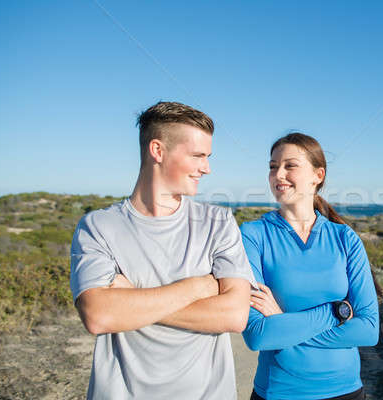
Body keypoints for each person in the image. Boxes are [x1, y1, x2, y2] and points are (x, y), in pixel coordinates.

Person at [70, 101, 256, 400]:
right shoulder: (98, 226)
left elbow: (235, 315)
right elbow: (98, 316)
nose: (206, 168)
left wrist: (131, 303)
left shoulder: (218, 222)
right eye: (197, 155)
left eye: (207, 157)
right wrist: (198, 286)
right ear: (158, 150)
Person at [241, 133, 380, 400]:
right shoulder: (253, 235)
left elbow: (368, 329)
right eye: (272, 166)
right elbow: (258, 336)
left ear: (318, 175)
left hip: (347, 392)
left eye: (289, 165)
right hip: (279, 392)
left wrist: (282, 323)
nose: (278, 174)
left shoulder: (345, 238)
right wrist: (336, 313)